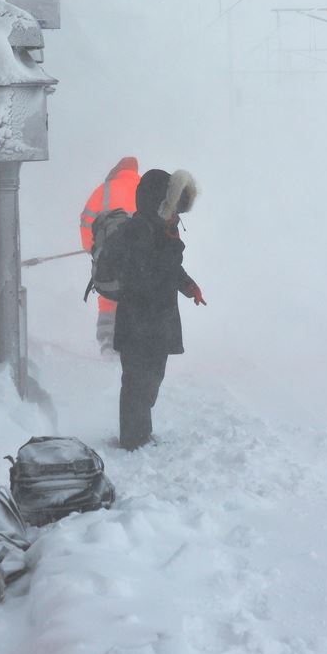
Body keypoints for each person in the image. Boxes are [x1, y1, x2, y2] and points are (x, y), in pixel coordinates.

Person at [113, 168, 206, 450]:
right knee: (137, 380)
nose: (178, 215)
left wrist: (189, 286)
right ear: (159, 202)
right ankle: (133, 439)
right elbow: (147, 273)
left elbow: (169, 270)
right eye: (175, 207)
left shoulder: (161, 228)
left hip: (156, 319)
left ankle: (141, 433)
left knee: (152, 377)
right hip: (138, 319)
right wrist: (172, 247)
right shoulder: (139, 230)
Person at [80, 157, 141, 355]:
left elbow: (87, 220)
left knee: (108, 298)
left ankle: (107, 343)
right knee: (137, 296)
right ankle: (134, 344)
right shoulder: (146, 189)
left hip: (109, 256)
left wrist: (92, 248)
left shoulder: (104, 190)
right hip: (140, 259)